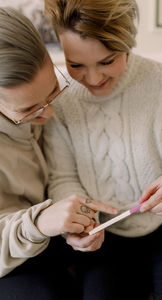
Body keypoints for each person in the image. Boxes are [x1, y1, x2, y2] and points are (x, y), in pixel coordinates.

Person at [43, 0, 162, 299]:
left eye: (107, 61)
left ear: (128, 42)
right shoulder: (59, 98)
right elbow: (62, 178)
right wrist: (78, 224)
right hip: (103, 232)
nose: (93, 79)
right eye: (76, 65)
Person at [0, 7, 118, 300]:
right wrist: (40, 222)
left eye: (53, 90)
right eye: (28, 110)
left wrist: (73, 224)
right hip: (12, 257)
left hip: (57, 239)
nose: (49, 113)